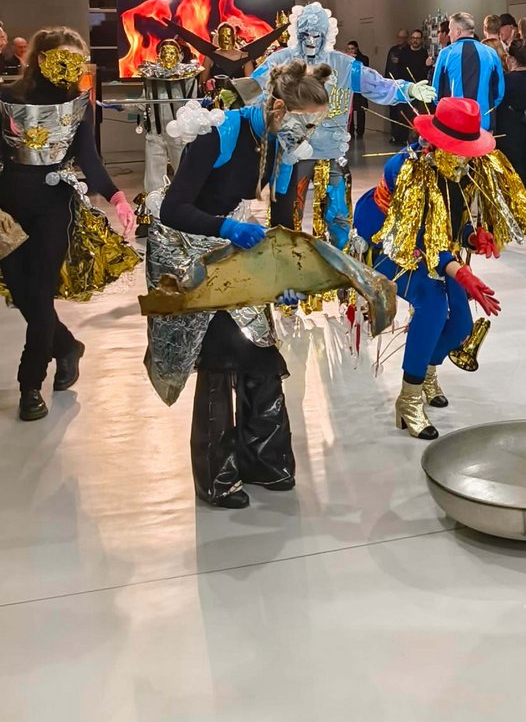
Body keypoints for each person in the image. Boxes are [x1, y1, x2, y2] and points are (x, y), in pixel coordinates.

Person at [151, 60, 330, 507]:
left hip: (235, 241)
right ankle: (216, 477)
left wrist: (283, 276)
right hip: (188, 242)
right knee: (220, 357)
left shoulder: (280, 146)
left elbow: (285, 218)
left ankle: (265, 461)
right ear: (275, 106)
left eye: (313, 125)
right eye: (302, 121)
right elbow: (173, 208)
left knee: (260, 350)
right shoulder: (219, 132)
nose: (305, 133)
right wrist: (226, 229)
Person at [353, 96, 526, 439]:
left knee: (460, 327)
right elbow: (420, 238)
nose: (464, 155)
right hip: (391, 246)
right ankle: (409, 399)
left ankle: (426, 370)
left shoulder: (464, 168)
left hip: (438, 251)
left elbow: (453, 220)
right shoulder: (407, 169)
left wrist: (471, 238)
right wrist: (459, 270)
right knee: (433, 304)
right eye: (457, 147)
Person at [0, 27, 138, 421]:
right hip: (6, 210)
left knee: (40, 295)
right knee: (26, 297)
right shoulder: (7, 98)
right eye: (61, 60)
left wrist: (116, 197)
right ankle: (66, 346)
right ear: (38, 59)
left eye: (76, 63)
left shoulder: (81, 104)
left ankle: (30, 386)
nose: (68, 70)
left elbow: (89, 160)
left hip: (53, 208)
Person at [253, 2, 435, 250]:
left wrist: (408, 89)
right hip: (291, 156)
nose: (311, 41)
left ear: (326, 36)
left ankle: (339, 269)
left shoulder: (343, 65)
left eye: (317, 35)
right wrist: (232, 98)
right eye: (306, 35)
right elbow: (253, 89)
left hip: (331, 152)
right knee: (284, 220)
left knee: (339, 219)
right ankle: (285, 268)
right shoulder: (281, 61)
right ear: (298, 34)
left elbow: (376, 85)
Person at [138, 39, 203, 202]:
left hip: (179, 133)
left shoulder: (188, 76)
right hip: (155, 133)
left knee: (184, 172)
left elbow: (193, 102)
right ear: (158, 56)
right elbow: (142, 102)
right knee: (154, 177)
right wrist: (120, 107)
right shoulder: (150, 77)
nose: (168, 56)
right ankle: (154, 211)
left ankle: (187, 205)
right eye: (164, 52)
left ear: (179, 56)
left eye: (172, 52)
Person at [430, 11, 505, 130]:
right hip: (484, 123)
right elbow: (499, 93)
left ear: (458, 31)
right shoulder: (491, 53)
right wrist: (486, 108)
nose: (449, 34)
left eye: (450, 30)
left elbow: (436, 93)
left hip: (454, 123)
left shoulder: (446, 53)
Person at [498, 41, 526, 186]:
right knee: (524, 170)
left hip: (509, 129)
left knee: (511, 172)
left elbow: (498, 102)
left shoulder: (507, 80)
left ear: (510, 59)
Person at [384, 28, 409, 144]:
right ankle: (394, 134)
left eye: (403, 38)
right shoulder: (392, 50)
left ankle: (403, 137)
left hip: (403, 85)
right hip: (391, 85)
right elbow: (388, 67)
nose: (400, 40)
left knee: (402, 112)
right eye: (399, 37)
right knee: (393, 112)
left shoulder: (408, 51)